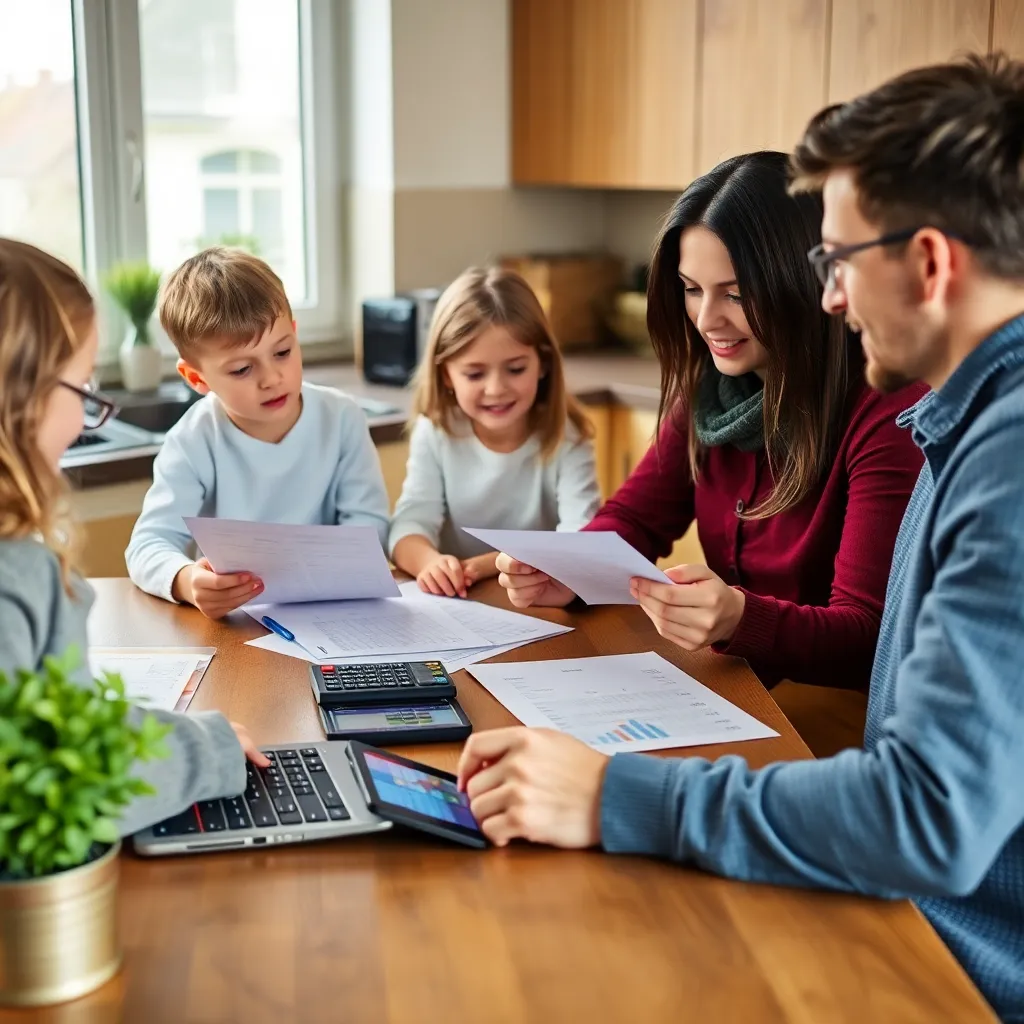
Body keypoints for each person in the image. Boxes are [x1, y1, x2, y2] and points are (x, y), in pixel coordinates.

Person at [457, 54, 1024, 1022]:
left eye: (836, 263)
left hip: (961, 954)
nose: (831, 300)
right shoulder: (965, 422)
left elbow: (922, 815)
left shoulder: (1002, 458)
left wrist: (617, 797)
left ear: (928, 263)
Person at [496, 152, 926, 692]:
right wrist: (570, 569)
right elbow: (636, 517)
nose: (705, 320)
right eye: (692, 288)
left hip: (836, 705)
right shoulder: (713, 386)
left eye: (736, 294)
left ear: (806, 285)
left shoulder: (887, 412)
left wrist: (739, 619)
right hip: (737, 680)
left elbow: (869, 638)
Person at [0, 239, 269, 836]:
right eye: (82, 388)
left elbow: (60, 726)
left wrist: (191, 739)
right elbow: (43, 788)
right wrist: (208, 754)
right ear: (20, 397)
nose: (82, 421)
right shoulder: (15, 575)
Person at [125, 247, 390, 618]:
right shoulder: (193, 440)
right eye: (241, 370)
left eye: (282, 352)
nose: (272, 379)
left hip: (334, 614)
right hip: (239, 624)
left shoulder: (342, 417)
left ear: (295, 335)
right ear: (197, 378)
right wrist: (186, 581)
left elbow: (370, 526)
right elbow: (148, 544)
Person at [389, 266, 600, 598]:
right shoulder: (436, 432)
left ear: (543, 363)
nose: (496, 389)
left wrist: (483, 565)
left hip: (539, 599)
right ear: (446, 375)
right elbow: (408, 527)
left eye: (515, 369)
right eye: (474, 374)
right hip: (460, 599)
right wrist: (430, 562)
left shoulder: (567, 436)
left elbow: (581, 537)